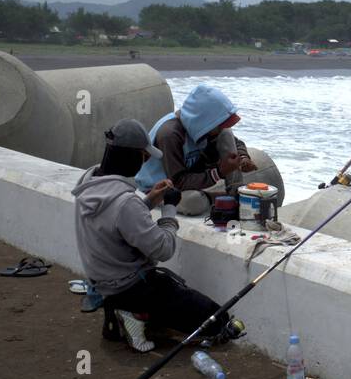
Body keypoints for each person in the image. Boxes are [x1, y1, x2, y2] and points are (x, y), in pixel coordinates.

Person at [72, 118, 243, 353]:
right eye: (143, 157)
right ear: (130, 156)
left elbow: (118, 223)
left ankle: (127, 314)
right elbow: (163, 249)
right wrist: (169, 208)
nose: (145, 162)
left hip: (105, 284)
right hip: (134, 286)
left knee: (180, 304)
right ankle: (134, 313)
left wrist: (150, 199)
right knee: (218, 322)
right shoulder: (125, 203)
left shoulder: (89, 186)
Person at [136, 84, 257, 193]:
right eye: (218, 125)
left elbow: (235, 142)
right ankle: (215, 198)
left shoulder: (204, 129)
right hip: (161, 188)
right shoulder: (170, 134)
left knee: (226, 133)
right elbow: (178, 182)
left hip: (191, 171)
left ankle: (234, 190)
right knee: (193, 201)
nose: (220, 129)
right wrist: (219, 172)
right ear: (204, 120)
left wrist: (242, 158)